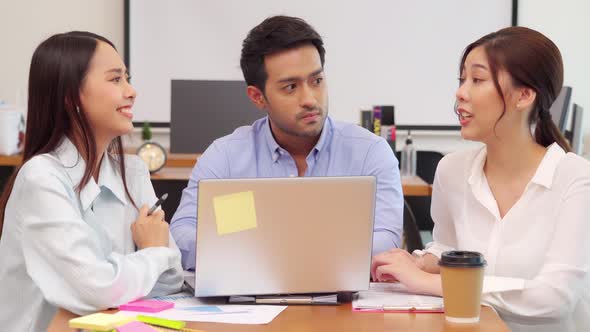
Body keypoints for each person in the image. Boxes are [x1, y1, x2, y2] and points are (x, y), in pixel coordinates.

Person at [371, 27, 590, 331]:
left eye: (477, 80)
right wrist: (419, 262)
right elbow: (447, 247)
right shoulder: (451, 171)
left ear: (524, 95)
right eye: (462, 80)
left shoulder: (576, 178)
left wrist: (426, 282)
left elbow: (554, 297)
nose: (461, 92)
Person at [171, 15, 403, 270]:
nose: (310, 99)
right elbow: (181, 236)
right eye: (291, 87)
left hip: (342, 301)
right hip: (248, 299)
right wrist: (268, 256)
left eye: (317, 81)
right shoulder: (224, 156)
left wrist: (283, 254)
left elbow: (386, 240)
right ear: (257, 97)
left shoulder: (370, 152)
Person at [0, 32, 183, 331]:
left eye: (128, 77)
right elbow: (96, 290)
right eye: (115, 80)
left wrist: (136, 267)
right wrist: (151, 252)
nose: (132, 91)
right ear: (71, 96)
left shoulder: (133, 172)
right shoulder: (41, 178)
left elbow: (170, 279)